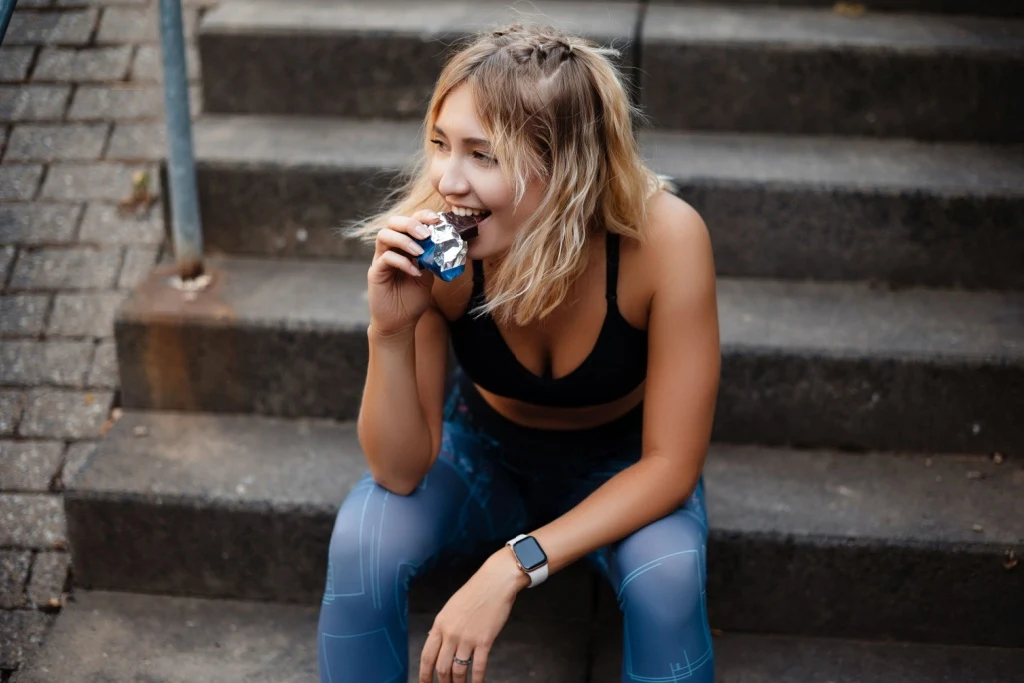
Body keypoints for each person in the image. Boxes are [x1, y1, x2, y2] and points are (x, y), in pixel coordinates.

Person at [317, 21, 720, 683]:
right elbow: (397, 469)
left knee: (668, 580)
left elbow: (671, 465)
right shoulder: (433, 243)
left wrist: (513, 563)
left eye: (483, 155)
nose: (446, 180)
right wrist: (389, 332)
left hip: (621, 465)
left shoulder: (665, 238)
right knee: (362, 540)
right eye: (440, 144)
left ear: (566, 165)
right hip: (483, 453)